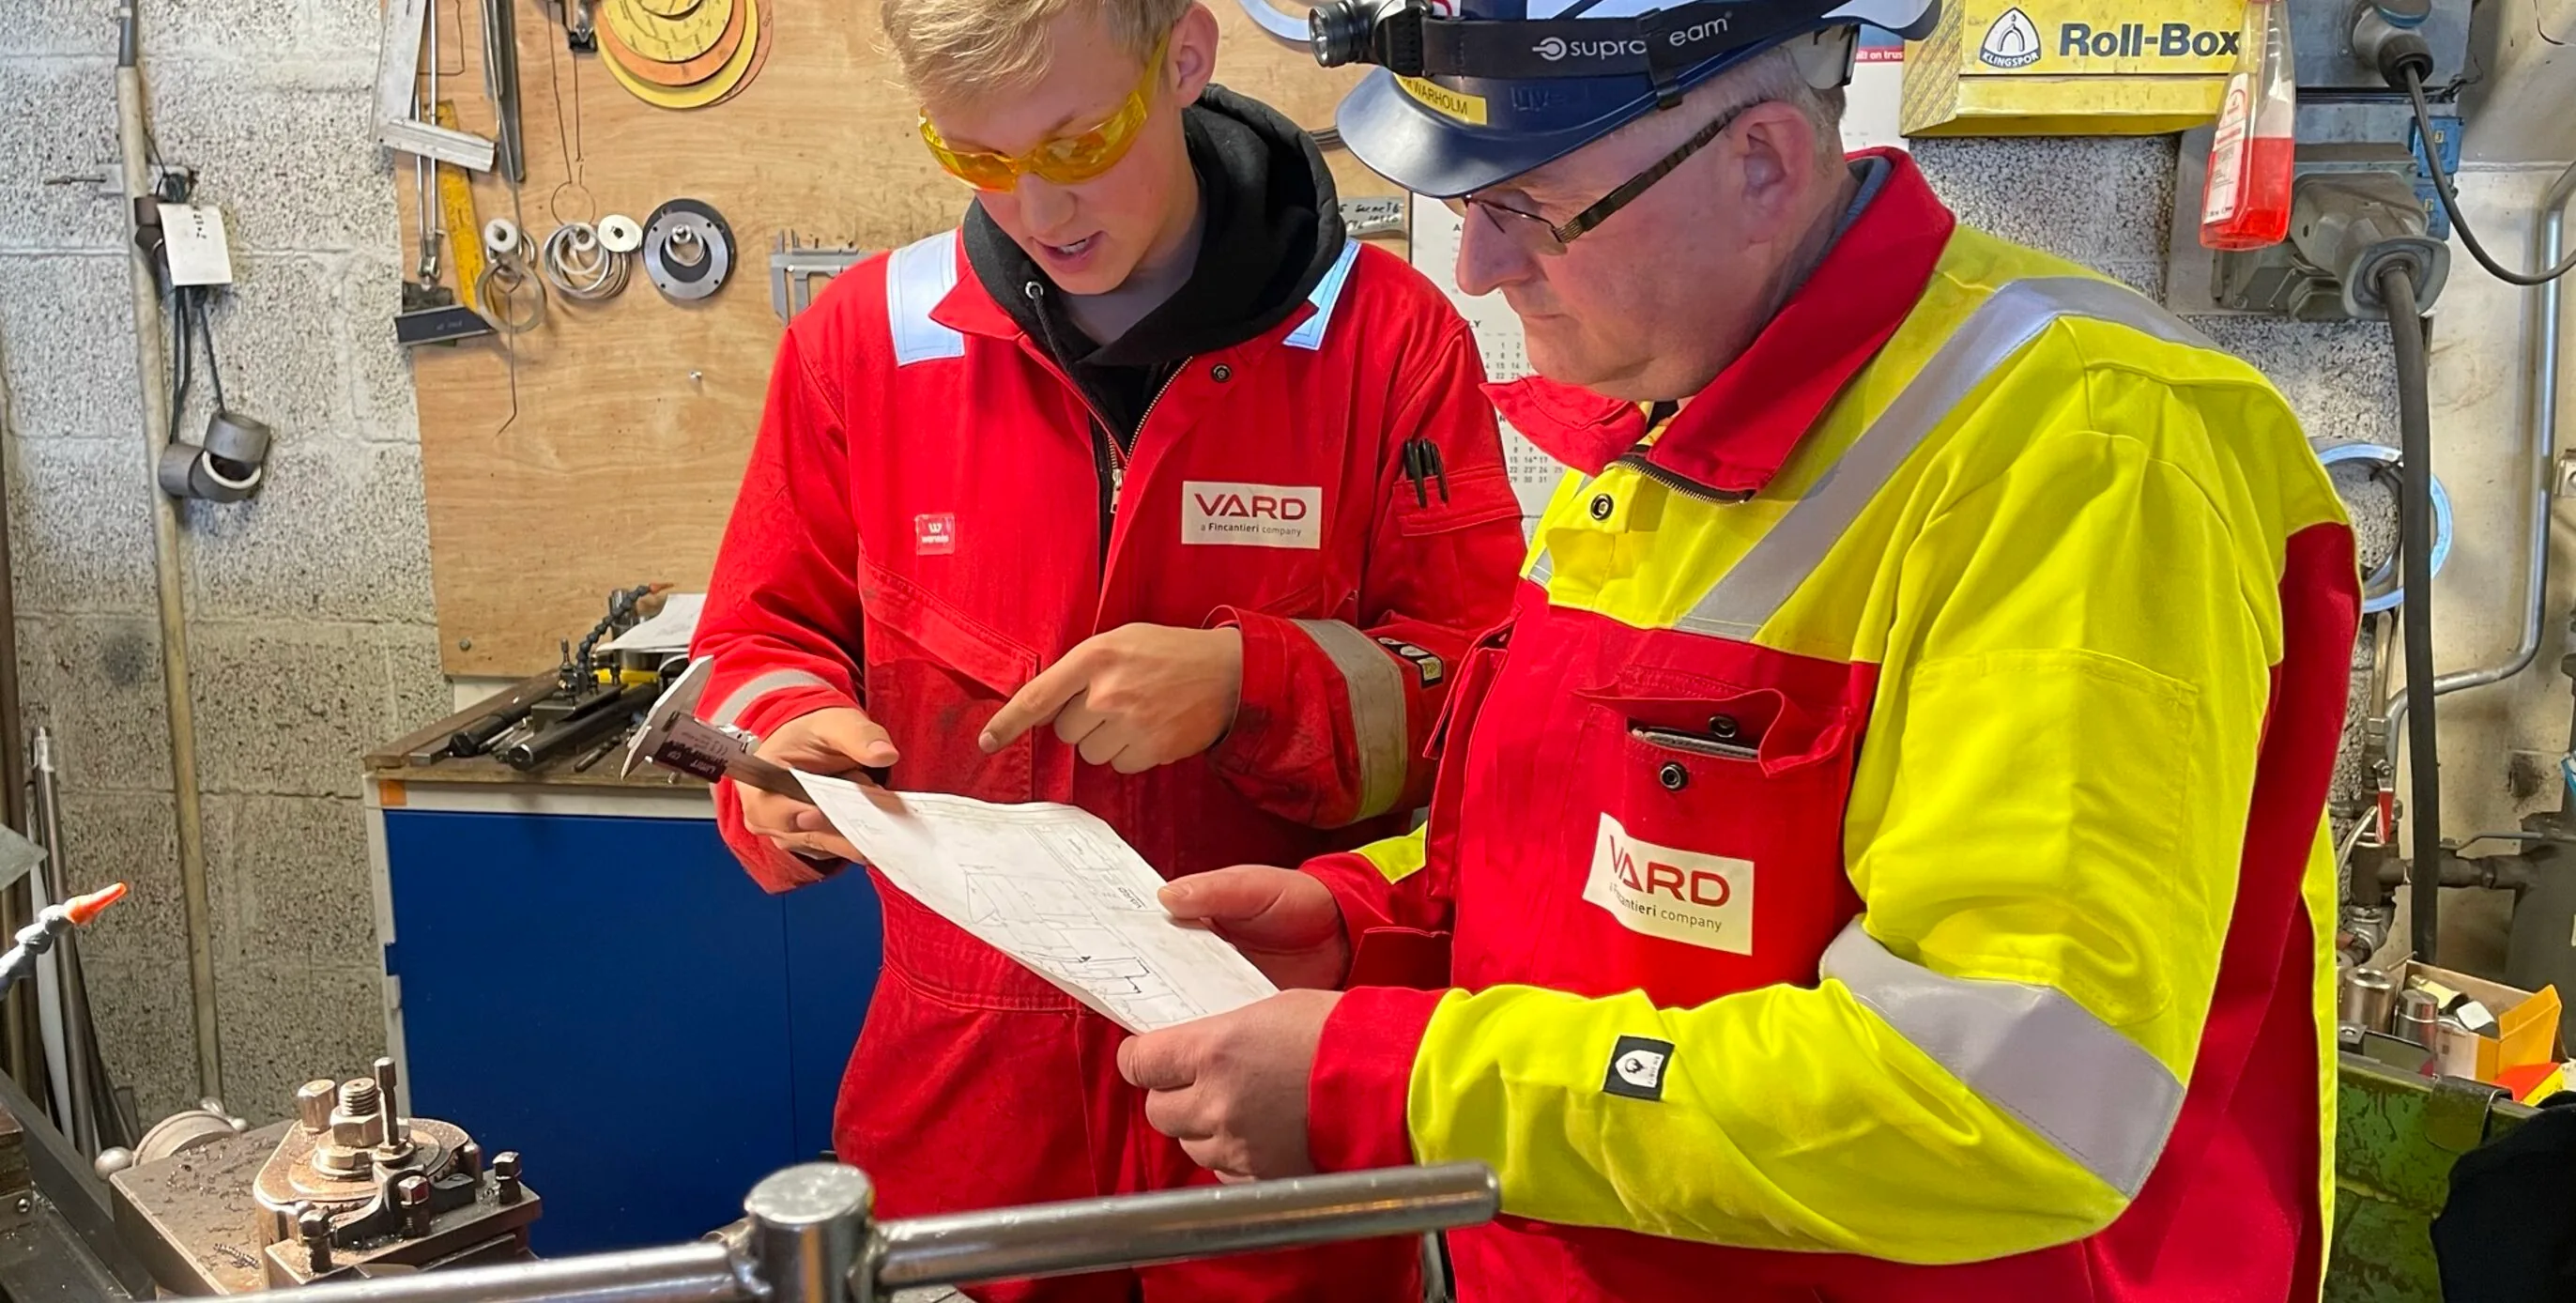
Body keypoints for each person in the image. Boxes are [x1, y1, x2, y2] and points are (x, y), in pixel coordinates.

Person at [1116, 2, 2363, 1300]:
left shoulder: (2084, 460)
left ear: (1763, 160)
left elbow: (2003, 1095)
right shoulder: (1671, 415)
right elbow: (1620, 868)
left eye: (1527, 207)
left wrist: (1402, 1080)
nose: (1476, 269)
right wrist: (1374, 926)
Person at [688, 1, 1526, 1299]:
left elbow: (1490, 713)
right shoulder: (866, 342)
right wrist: (784, 743)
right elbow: (758, 634)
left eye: (1078, 143)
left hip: (1267, 1110)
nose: (1037, 205)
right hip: (966, 1106)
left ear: (1183, 59)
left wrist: (1257, 686)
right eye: (978, 158)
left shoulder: (1383, 339)